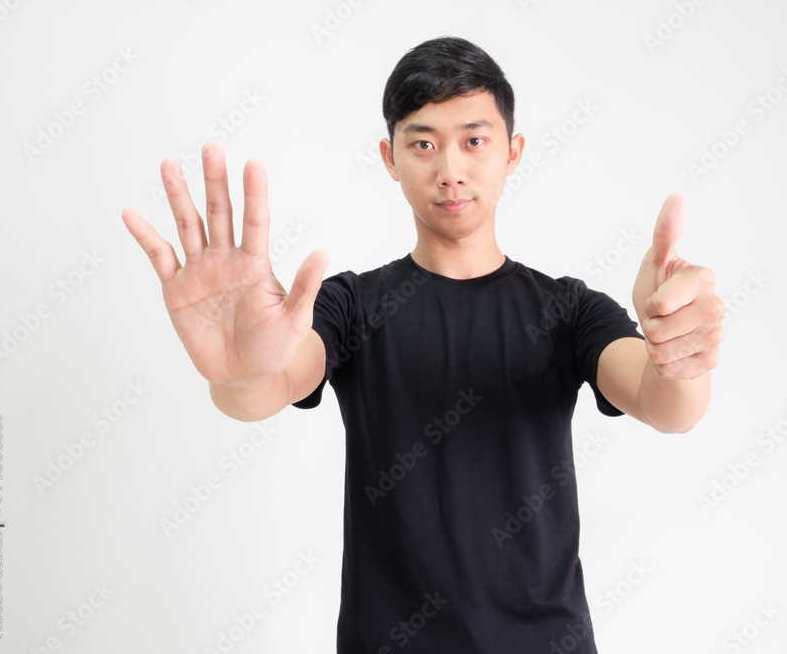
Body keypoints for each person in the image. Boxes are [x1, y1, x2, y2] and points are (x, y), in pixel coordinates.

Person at [122, 36, 723, 653]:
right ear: (390, 157)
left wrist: (679, 352)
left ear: (513, 152)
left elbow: (665, 405)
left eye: (475, 141)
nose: (451, 170)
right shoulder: (350, 304)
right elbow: (268, 383)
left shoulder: (567, 309)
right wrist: (241, 371)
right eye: (424, 144)